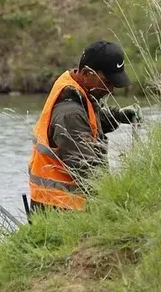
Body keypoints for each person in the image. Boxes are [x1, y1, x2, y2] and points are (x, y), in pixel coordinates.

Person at [28, 40, 143, 212]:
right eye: (107, 82)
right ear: (87, 73)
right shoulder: (70, 113)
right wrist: (120, 200)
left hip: (64, 203)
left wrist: (117, 116)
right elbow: (87, 169)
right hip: (59, 209)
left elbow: (89, 121)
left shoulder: (79, 88)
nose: (111, 89)